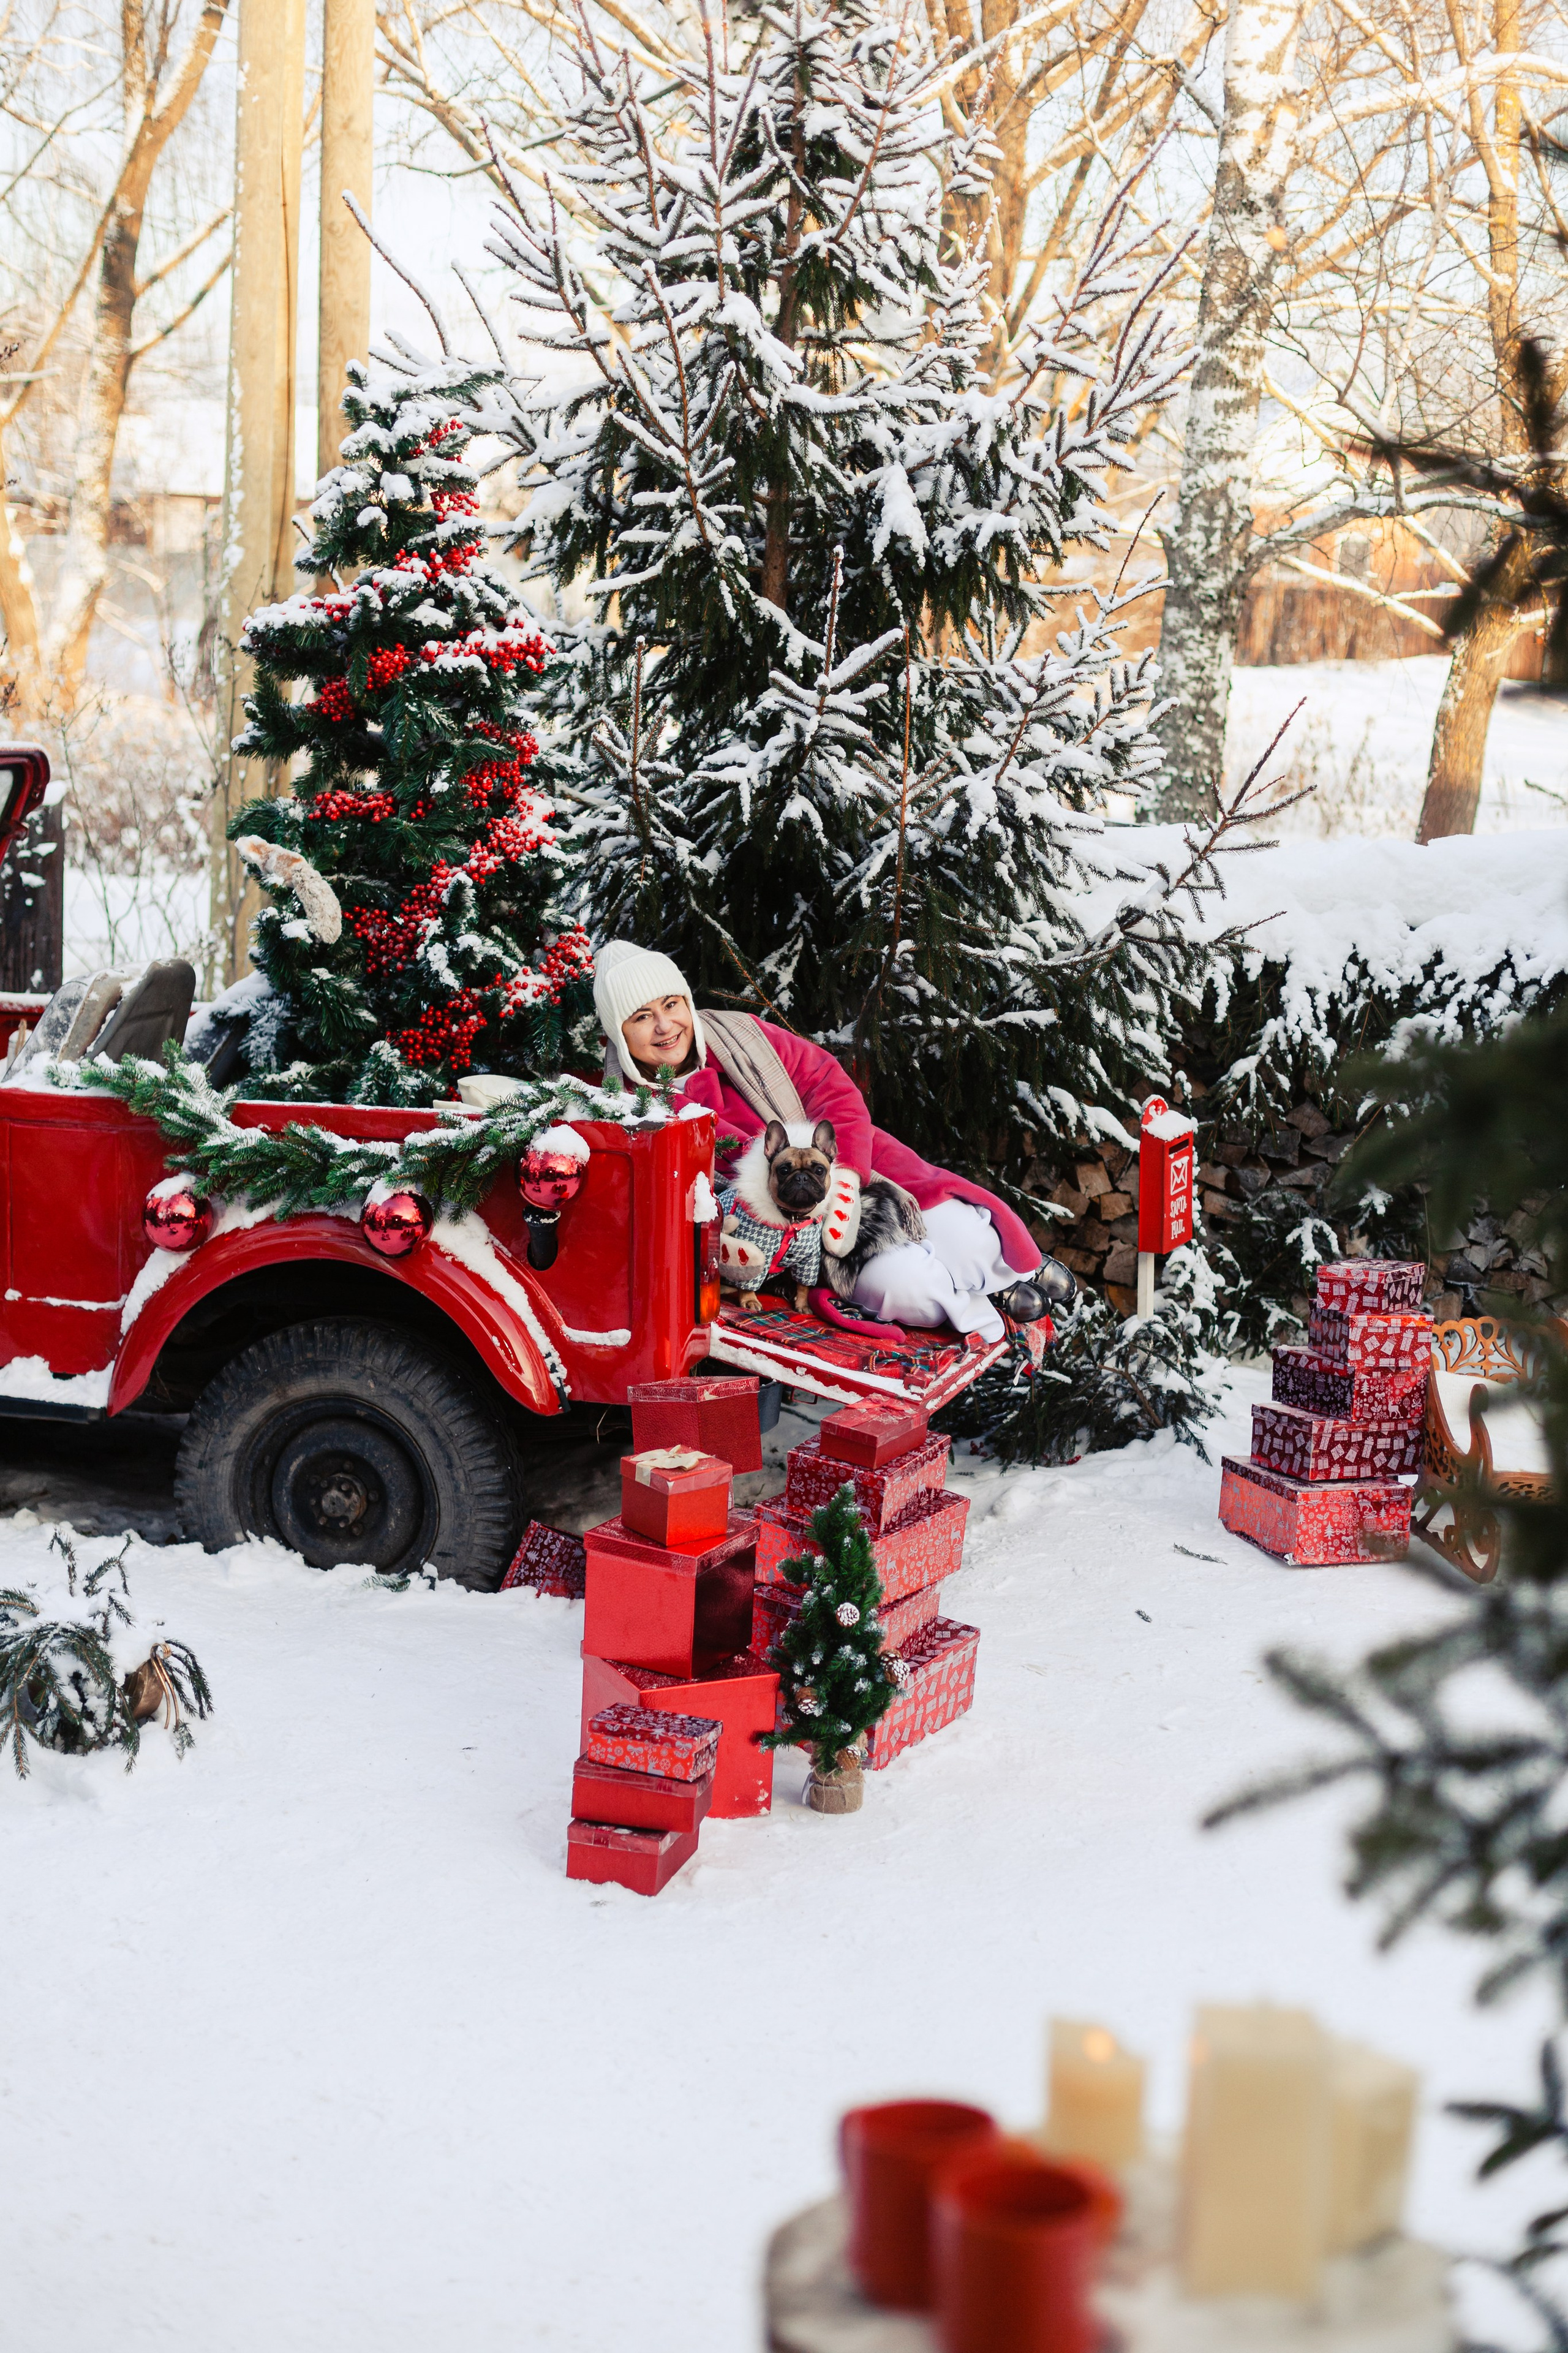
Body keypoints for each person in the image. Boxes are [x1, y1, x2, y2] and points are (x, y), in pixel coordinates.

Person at [591, 939, 1073, 1343]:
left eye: (671, 1004)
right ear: (619, 1031)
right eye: (642, 1016)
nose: (664, 1025)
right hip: (789, 1227)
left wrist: (847, 1175)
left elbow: (828, 1082)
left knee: (964, 1233)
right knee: (907, 1285)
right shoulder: (632, 1110)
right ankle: (980, 1304)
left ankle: (1008, 1277)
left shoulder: (738, 1034)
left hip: (851, 1165)